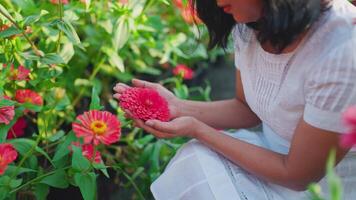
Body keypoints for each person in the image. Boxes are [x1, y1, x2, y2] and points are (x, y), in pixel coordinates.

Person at [113, 0, 356, 199]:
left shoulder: (341, 51)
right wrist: (177, 107)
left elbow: (297, 175)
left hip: (320, 186)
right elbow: (246, 108)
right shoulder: (250, 22)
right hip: (267, 155)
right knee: (197, 162)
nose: (218, 3)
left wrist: (197, 130)